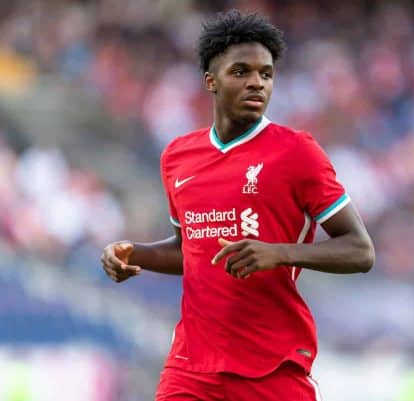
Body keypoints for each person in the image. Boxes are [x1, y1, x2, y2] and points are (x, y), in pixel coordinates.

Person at [100, 9, 375, 401]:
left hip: (272, 366)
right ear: (211, 82)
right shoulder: (178, 157)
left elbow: (360, 250)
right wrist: (134, 254)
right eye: (241, 71)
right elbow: (190, 250)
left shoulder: (296, 152)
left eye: (266, 74)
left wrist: (278, 254)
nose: (256, 83)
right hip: (192, 366)